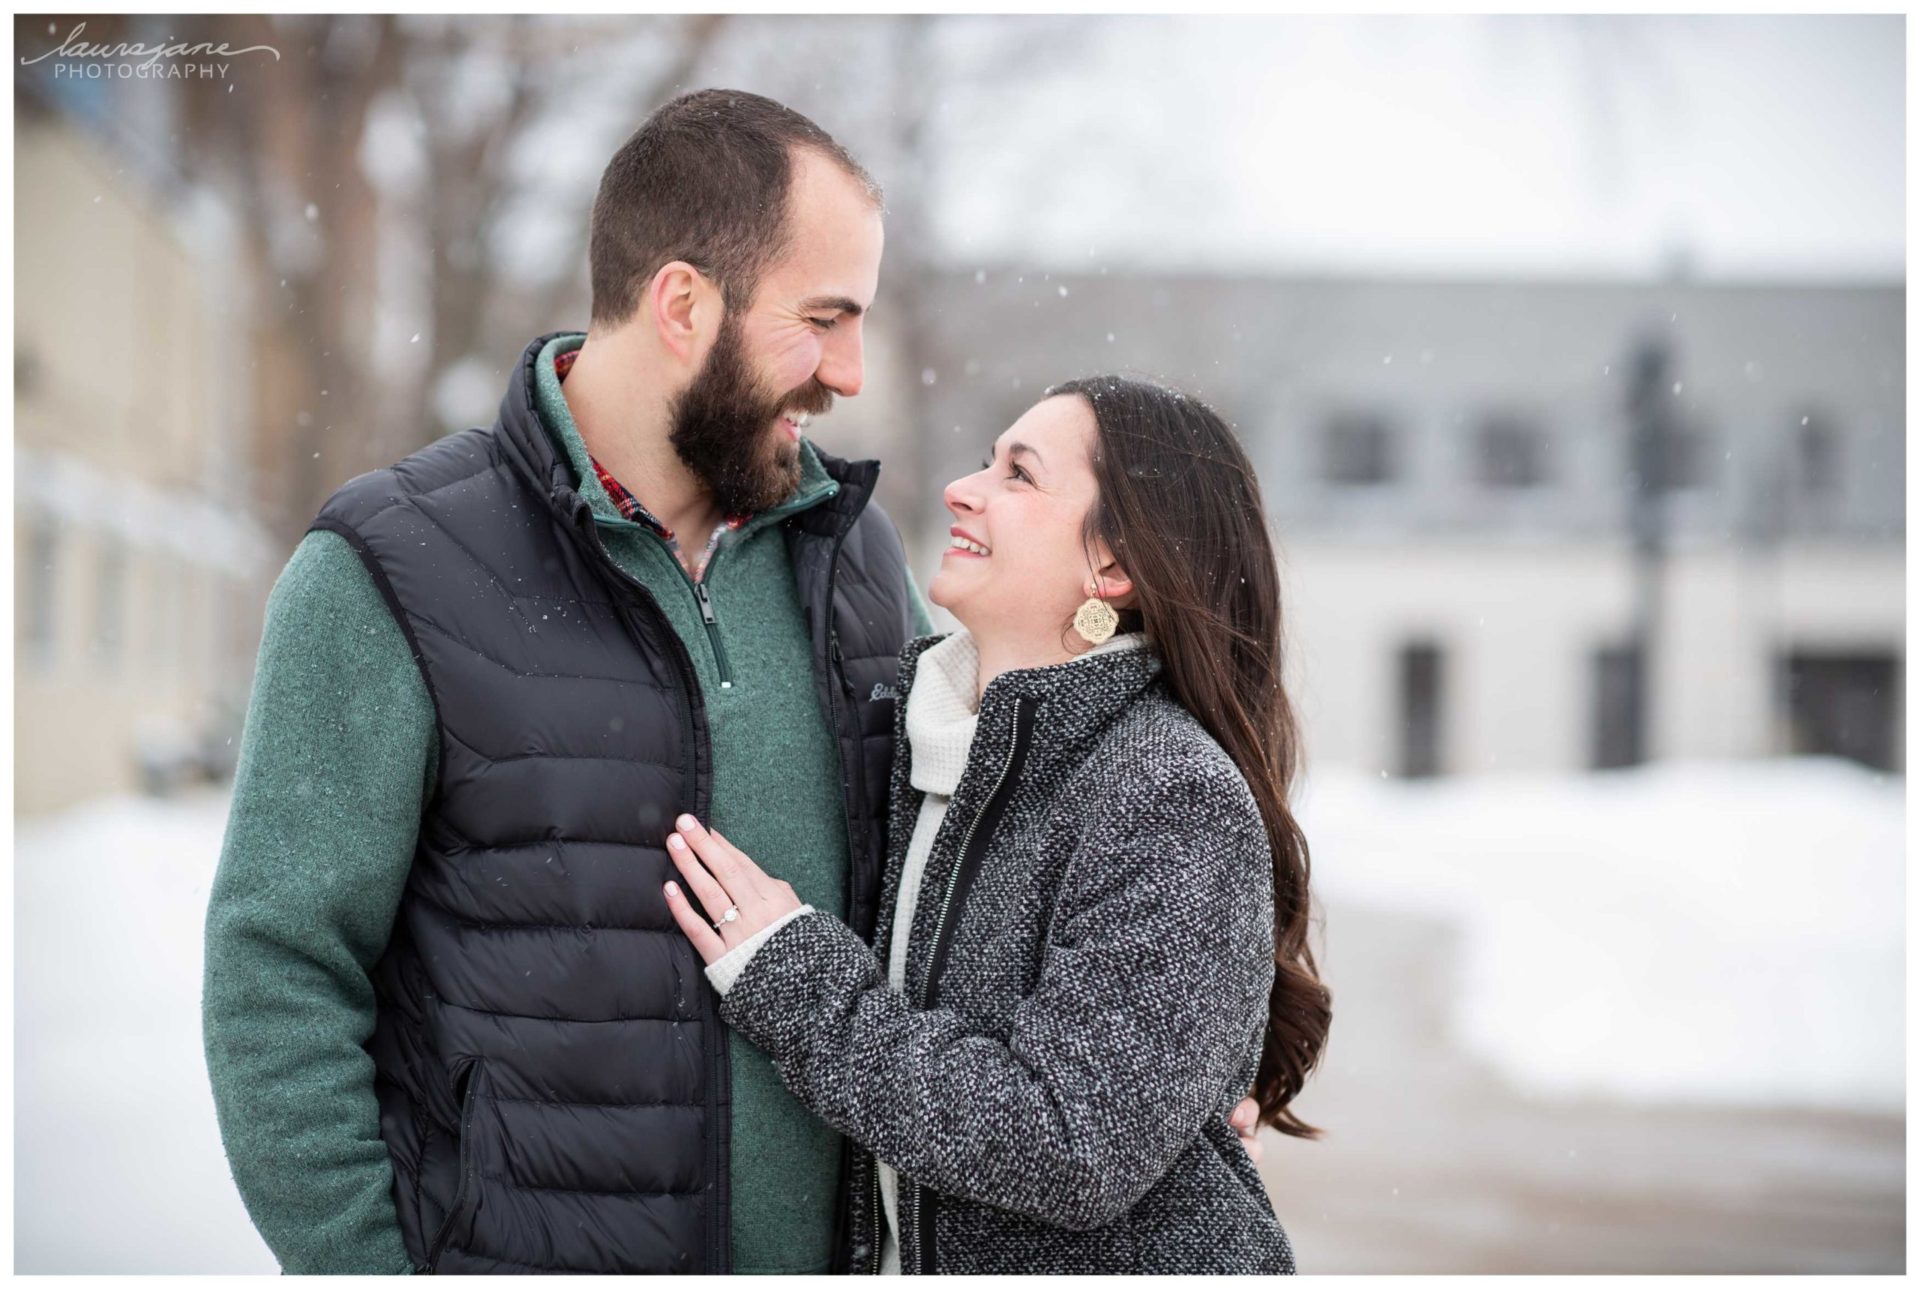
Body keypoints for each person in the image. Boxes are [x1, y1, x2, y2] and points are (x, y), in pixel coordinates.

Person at [202, 89, 926, 1275]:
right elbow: (279, 967)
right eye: (823, 318)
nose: (846, 372)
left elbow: (1027, 803)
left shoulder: (852, 555)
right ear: (683, 302)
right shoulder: (390, 568)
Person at [663, 376, 1332, 1273]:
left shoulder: (1165, 791)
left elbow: (1070, 1143)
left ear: (1113, 568)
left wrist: (801, 984)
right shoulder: (925, 748)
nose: (962, 489)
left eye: (1019, 475)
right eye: (987, 461)